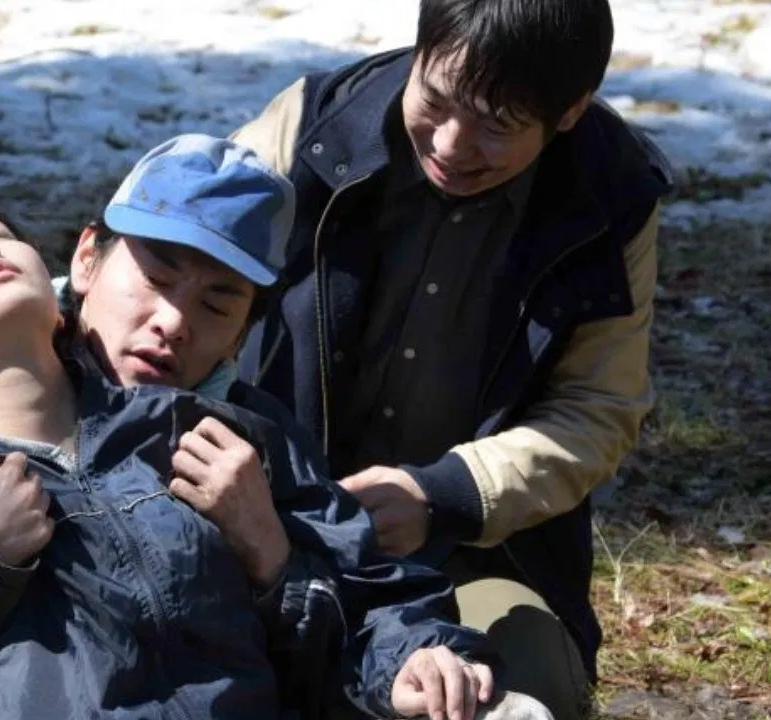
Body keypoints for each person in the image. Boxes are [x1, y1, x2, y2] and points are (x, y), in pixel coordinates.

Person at [0, 136, 529, 720]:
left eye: (218, 303)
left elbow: (369, 606)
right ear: (86, 260)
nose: (173, 321)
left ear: (247, 329)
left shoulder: (239, 437)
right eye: (154, 275)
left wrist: (273, 555)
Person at [228, 0, 674, 716]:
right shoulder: (311, 125)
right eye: (434, 99)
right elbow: (174, 281)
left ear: (569, 112)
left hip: (469, 556)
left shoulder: (611, 195)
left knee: (519, 694)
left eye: (497, 124)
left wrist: (446, 495)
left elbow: (599, 410)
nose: (452, 144)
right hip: (263, 522)